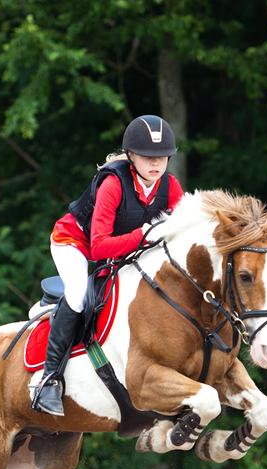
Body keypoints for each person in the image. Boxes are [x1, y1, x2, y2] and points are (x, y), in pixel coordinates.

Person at [31, 114, 186, 416]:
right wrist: (143, 236)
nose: (155, 164)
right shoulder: (114, 184)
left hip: (122, 248)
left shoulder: (170, 186)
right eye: (146, 157)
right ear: (131, 156)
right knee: (77, 293)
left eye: (162, 158)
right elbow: (99, 246)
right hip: (74, 242)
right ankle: (49, 379)